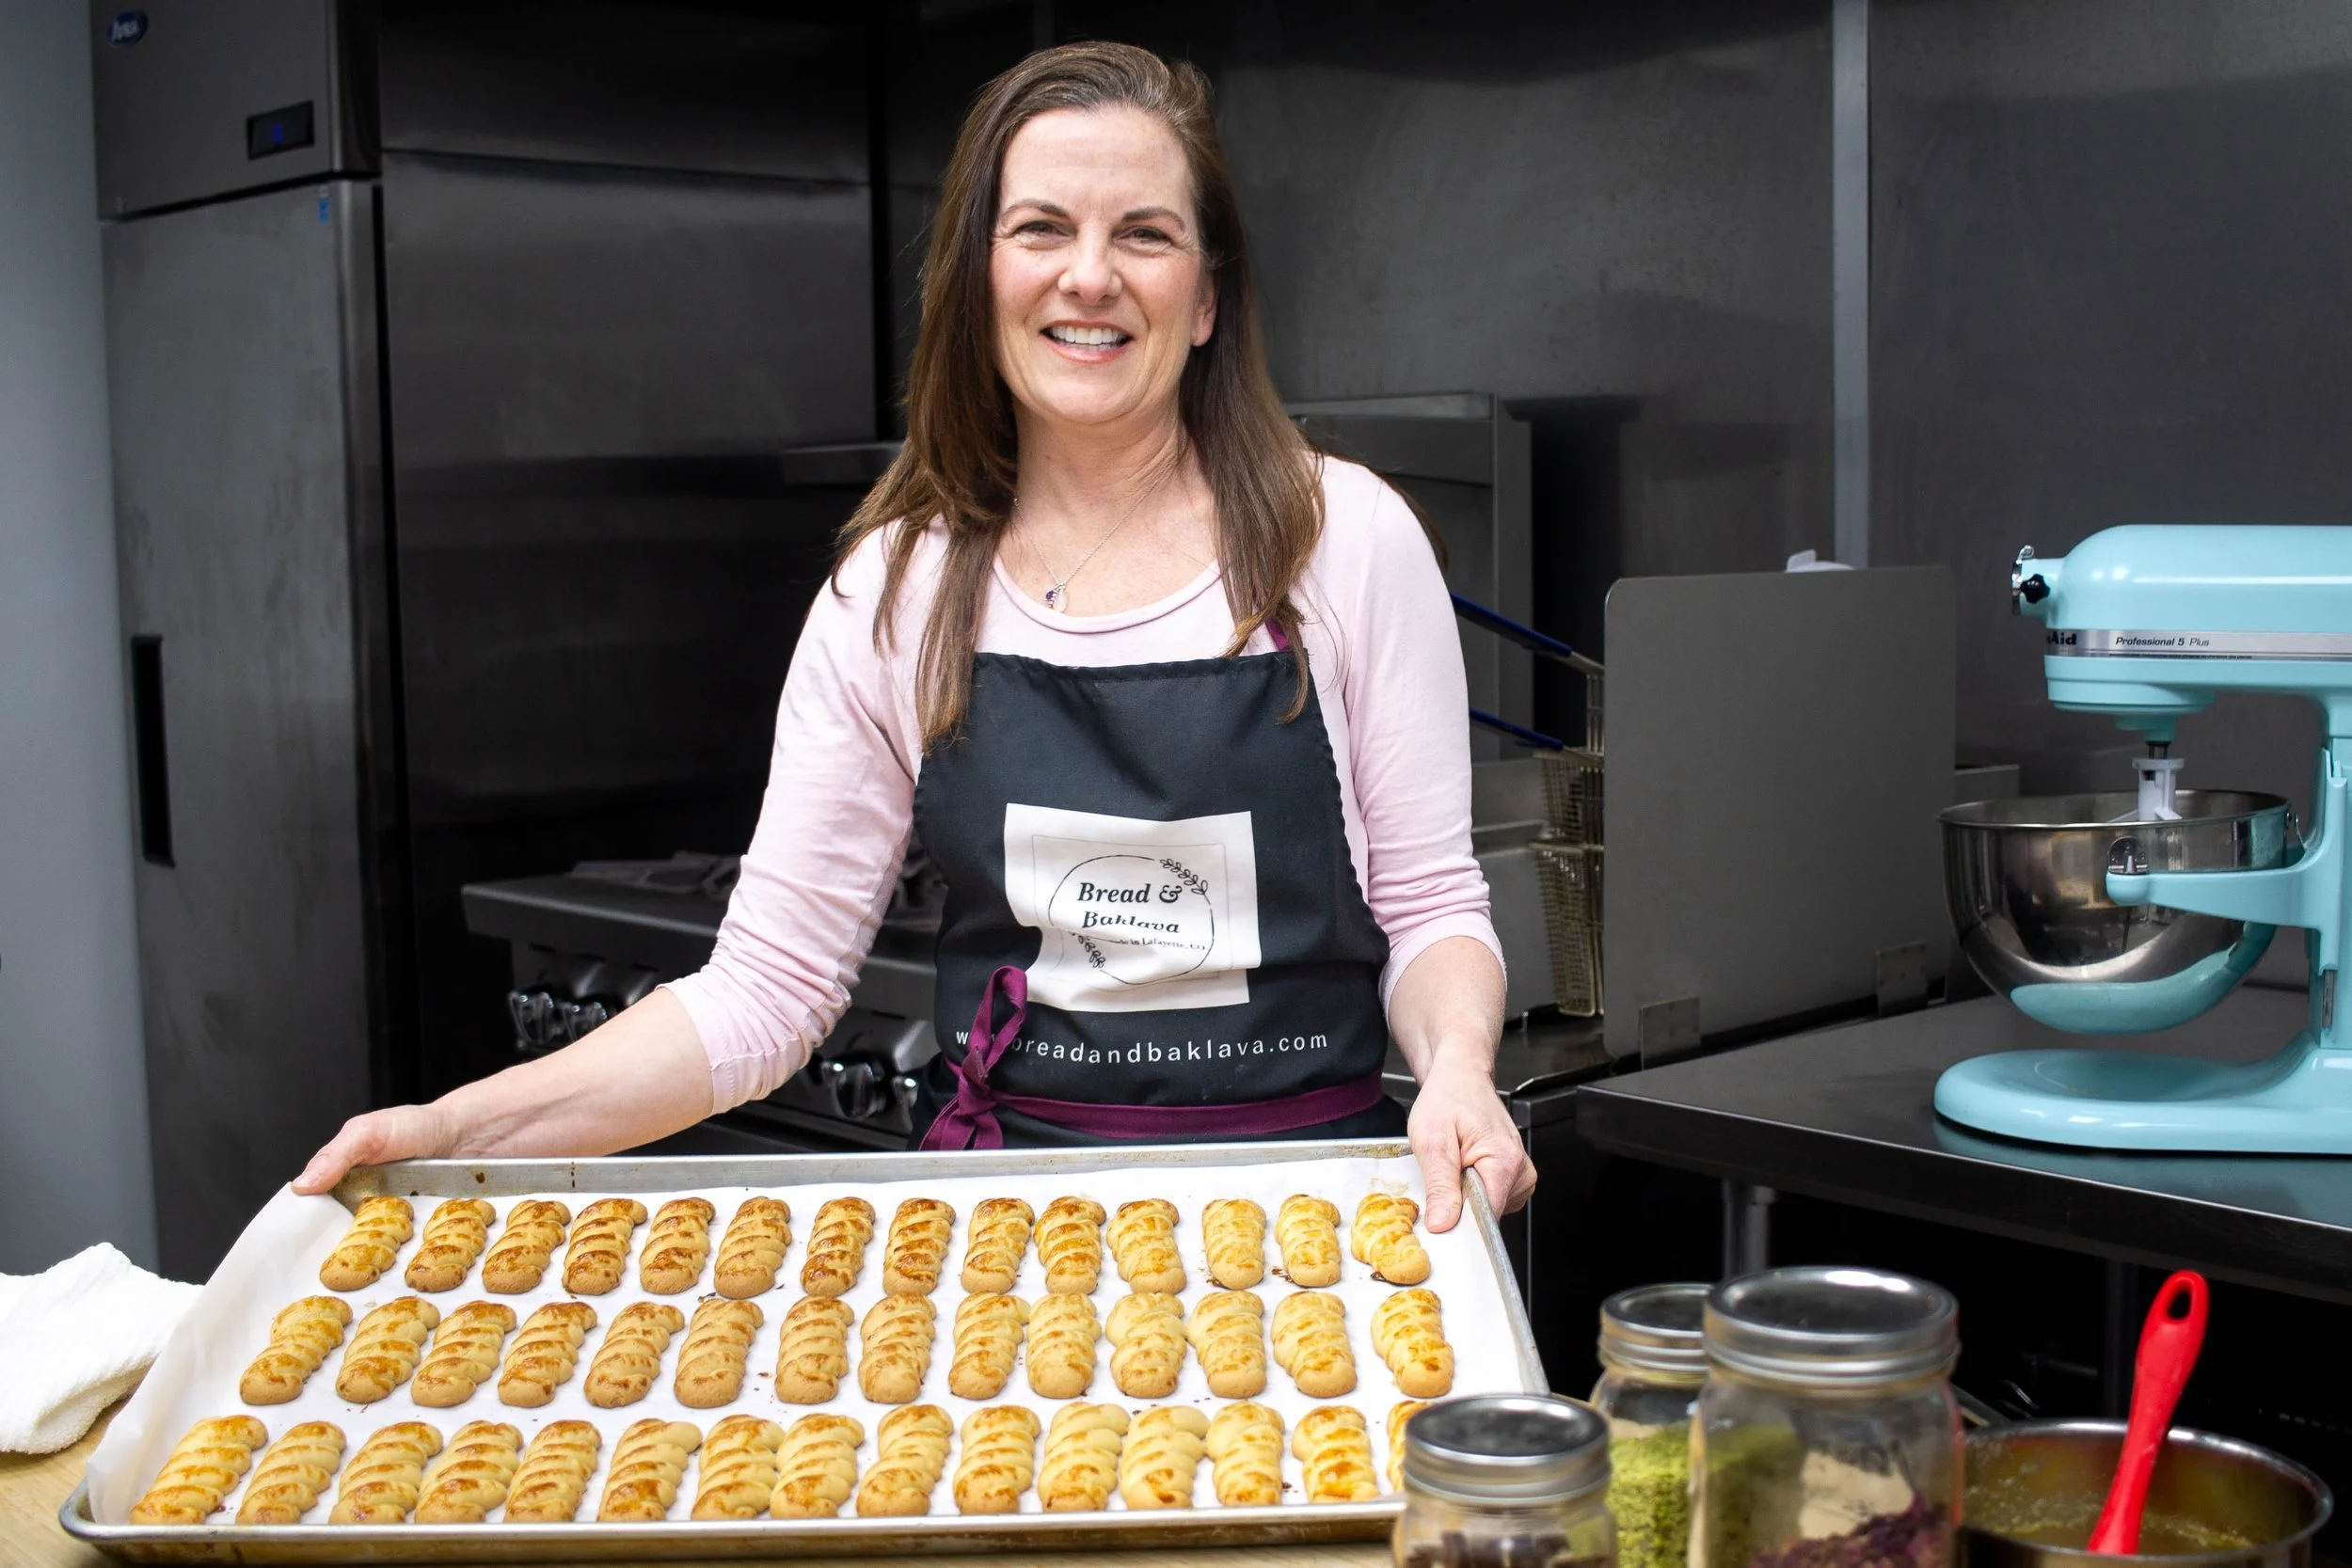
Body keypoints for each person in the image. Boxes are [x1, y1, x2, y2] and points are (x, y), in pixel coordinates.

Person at [296, 41, 1534, 1232]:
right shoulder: (897, 587)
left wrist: (1461, 1069)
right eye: (1041, 228)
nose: (1089, 275)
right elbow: (767, 990)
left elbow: (1428, 907)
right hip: (996, 1234)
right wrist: (458, 1129)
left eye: (1143, 234)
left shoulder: (1345, 540)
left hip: (1309, 1218)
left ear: (1207, 299)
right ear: (980, 277)